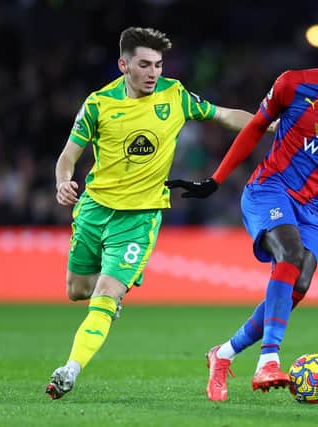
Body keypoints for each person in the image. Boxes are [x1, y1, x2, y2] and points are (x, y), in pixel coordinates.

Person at [166, 33, 318, 401]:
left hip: (310, 206)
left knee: (301, 281)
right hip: (269, 189)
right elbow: (254, 129)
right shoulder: (294, 84)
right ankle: (268, 360)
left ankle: (224, 353)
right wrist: (216, 179)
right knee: (291, 255)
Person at [45, 26, 275, 400]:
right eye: (145, 65)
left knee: (105, 294)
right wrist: (62, 182)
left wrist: (268, 125)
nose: (154, 72)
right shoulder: (98, 104)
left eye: (159, 64)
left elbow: (222, 115)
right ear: (124, 65)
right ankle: (109, 302)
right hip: (94, 210)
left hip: (140, 218)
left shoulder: (175, 94)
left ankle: (69, 369)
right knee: (77, 291)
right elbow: (68, 157)